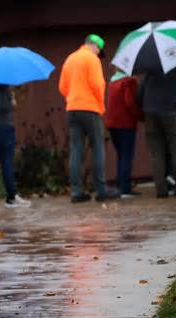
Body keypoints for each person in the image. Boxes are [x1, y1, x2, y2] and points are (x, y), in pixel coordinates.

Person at [59, 34, 117, 203]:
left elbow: (62, 87)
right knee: (97, 147)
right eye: (99, 50)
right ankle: (101, 190)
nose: (99, 54)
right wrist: (100, 106)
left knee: (76, 149)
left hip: (72, 108)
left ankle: (76, 192)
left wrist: (73, 98)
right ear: (95, 46)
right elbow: (98, 85)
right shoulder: (92, 59)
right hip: (90, 109)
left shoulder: (70, 59)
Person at [139, 63, 176, 197]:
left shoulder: (152, 67)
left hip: (150, 111)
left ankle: (161, 189)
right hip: (171, 110)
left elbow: (140, 92)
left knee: (156, 151)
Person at [104, 69, 142, 198]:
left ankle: (121, 186)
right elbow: (130, 102)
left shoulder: (112, 82)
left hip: (112, 123)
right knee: (126, 155)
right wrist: (140, 116)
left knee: (121, 155)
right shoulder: (128, 81)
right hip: (125, 123)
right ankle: (125, 188)